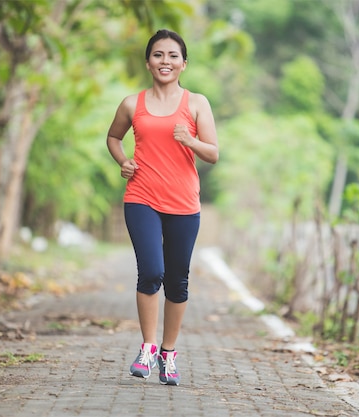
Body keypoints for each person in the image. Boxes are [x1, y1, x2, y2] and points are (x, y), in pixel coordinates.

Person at [106, 29, 219, 386]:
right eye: (158, 55)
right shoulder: (131, 103)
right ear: (148, 62)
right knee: (151, 272)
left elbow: (214, 154)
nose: (165, 61)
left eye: (173, 55)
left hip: (184, 202)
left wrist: (191, 140)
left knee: (177, 280)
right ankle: (148, 347)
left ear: (183, 64)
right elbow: (113, 137)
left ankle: (169, 353)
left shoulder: (197, 103)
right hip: (141, 198)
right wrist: (122, 160)